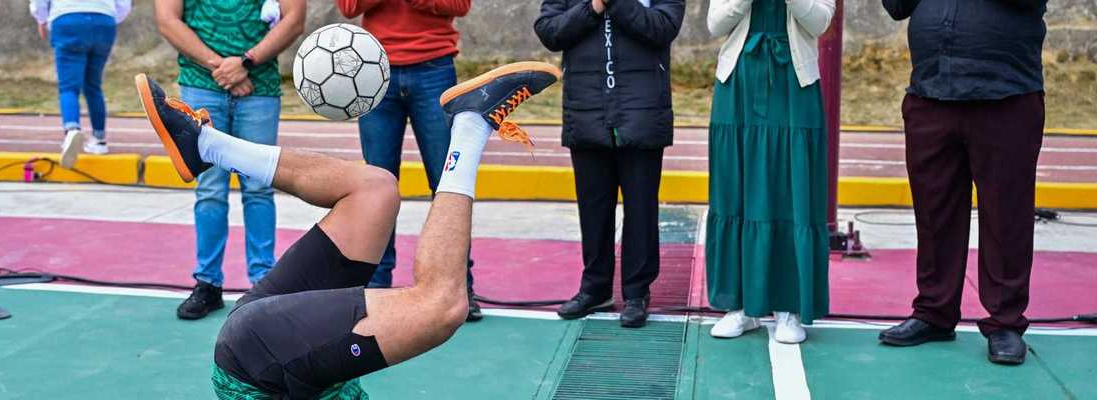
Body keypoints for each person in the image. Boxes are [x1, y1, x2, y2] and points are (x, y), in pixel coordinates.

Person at [133, 61, 557, 398]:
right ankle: (206, 146)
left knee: (441, 304)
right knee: (375, 190)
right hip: (266, 347)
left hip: (260, 361)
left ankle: (471, 124)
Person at [877, 0, 1047, 365]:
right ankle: (934, 313)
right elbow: (895, 6)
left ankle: (1005, 323)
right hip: (931, 91)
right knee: (934, 213)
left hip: (1006, 95)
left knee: (1007, 217)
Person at [535, 0, 685, 328]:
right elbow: (549, 31)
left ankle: (636, 293)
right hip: (585, 110)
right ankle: (595, 288)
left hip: (643, 111)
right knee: (593, 208)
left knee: (641, 210)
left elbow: (664, 27)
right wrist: (593, 7)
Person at [154, 0, 306, 320]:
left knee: (260, 186)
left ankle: (264, 284)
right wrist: (222, 67)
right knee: (209, 188)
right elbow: (167, 19)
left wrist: (246, 62)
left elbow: (294, 18)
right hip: (200, 86)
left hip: (259, 87)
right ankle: (207, 283)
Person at [334, 0, 484, 322]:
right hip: (373, 68)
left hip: (435, 69)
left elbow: (459, 6)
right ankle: (376, 283)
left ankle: (459, 286)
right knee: (376, 186)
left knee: (447, 183)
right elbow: (349, 7)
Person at [703, 0, 835, 344]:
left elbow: (820, 22)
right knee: (736, 190)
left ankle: (788, 307)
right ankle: (740, 307)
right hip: (739, 83)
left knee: (791, 190)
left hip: (795, 83)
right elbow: (715, 24)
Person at [29, 0, 132, 168]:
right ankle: (99, 140)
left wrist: (42, 19)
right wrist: (110, 16)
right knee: (93, 85)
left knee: (68, 87)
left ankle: (72, 129)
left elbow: (39, 2)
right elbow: (124, 3)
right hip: (104, 21)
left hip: (67, 19)